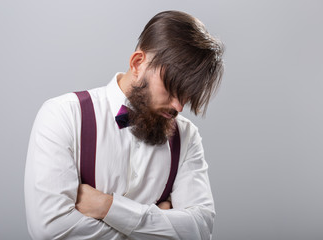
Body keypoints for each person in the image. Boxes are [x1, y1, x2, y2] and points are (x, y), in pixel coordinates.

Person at [24, 10, 224, 240]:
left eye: (187, 95)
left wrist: (107, 207)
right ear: (138, 63)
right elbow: (50, 230)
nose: (179, 107)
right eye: (171, 89)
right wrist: (157, 224)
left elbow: (199, 230)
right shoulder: (63, 115)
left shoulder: (186, 136)